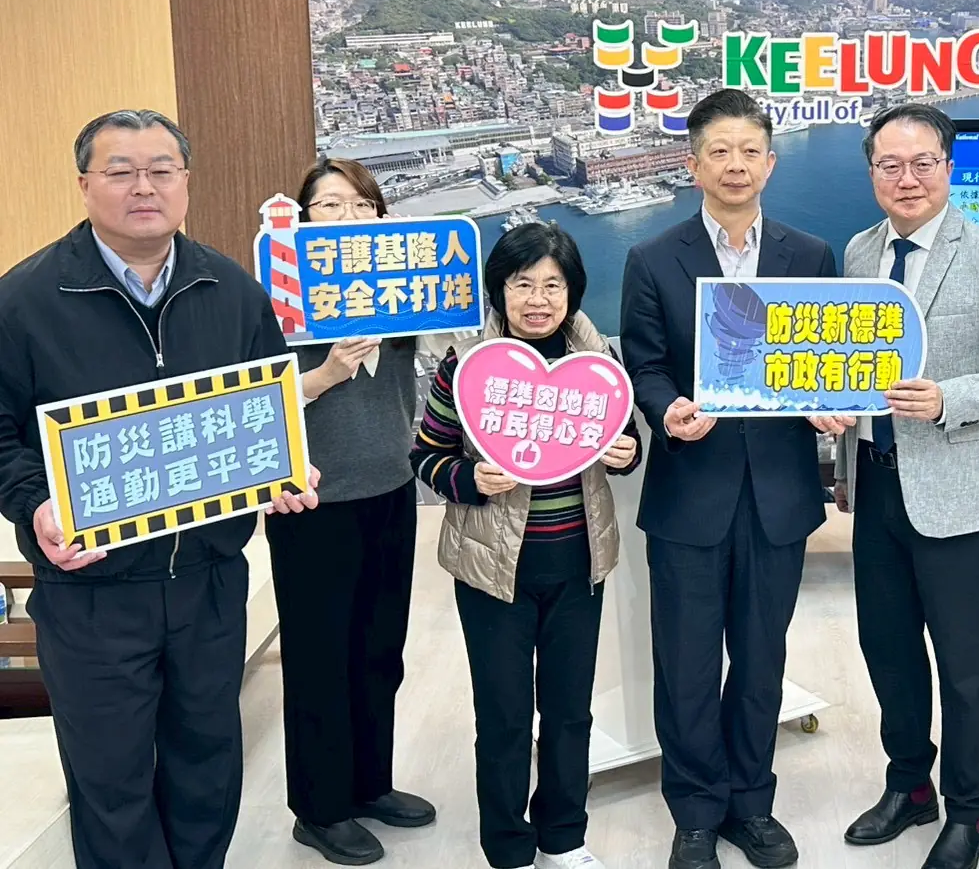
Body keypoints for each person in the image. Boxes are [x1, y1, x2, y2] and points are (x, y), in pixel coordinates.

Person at [0, 109, 318, 869]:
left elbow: (266, 409)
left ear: (185, 182)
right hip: (92, 590)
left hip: (208, 580)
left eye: (161, 170)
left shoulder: (231, 289)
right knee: (110, 784)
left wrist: (282, 468)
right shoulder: (23, 301)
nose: (143, 187)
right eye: (120, 171)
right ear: (85, 185)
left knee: (207, 768)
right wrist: (34, 504)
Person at [619, 88, 837, 869]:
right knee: (684, 664)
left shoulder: (810, 257)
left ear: (770, 164)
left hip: (779, 493)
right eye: (719, 151)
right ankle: (694, 811)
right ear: (693, 165)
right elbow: (643, 363)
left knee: (759, 659)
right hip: (690, 491)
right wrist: (665, 408)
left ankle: (752, 804)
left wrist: (830, 403)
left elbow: (823, 361)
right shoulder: (652, 258)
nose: (735, 164)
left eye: (749, 150)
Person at [830, 103, 979, 869]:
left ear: (948, 168)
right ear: (871, 173)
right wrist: (836, 418)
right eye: (889, 165)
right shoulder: (858, 252)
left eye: (922, 163)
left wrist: (949, 398)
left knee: (962, 667)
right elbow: (849, 361)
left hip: (959, 494)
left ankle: (967, 811)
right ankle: (908, 786)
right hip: (876, 487)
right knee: (887, 652)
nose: (906, 178)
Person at [410, 222, 640, 869]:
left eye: (552, 285)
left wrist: (626, 453)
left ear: (572, 292)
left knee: (569, 713)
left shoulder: (598, 363)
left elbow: (623, 444)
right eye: (521, 284)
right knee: (504, 716)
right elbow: (426, 457)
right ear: (499, 290)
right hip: (491, 571)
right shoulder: (465, 365)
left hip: (578, 564)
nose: (538, 299)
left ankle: (563, 835)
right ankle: (507, 844)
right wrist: (469, 478)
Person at [266, 158, 435, 865]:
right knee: (318, 659)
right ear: (304, 219)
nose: (347, 218)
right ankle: (319, 808)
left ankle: (369, 783)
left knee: (378, 650)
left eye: (362, 206)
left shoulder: (401, 285)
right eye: (329, 206)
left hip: (390, 489)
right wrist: (325, 373)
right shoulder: (278, 291)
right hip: (312, 501)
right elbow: (255, 398)